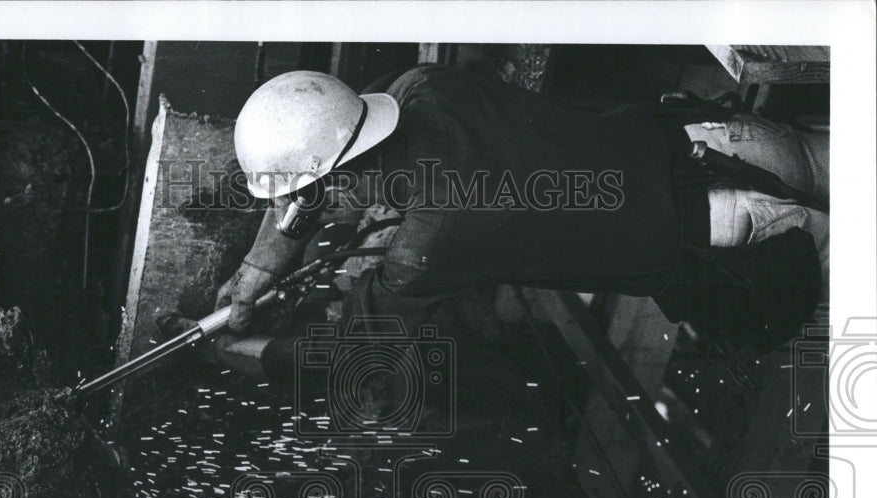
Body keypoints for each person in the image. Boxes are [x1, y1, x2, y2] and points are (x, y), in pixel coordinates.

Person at [161, 64, 827, 390]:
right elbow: (335, 147)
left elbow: (360, 353)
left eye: (310, 193)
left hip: (744, 235)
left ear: (337, 174)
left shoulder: (431, 244)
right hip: (729, 140)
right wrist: (256, 270)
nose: (303, 207)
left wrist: (233, 353)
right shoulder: (424, 87)